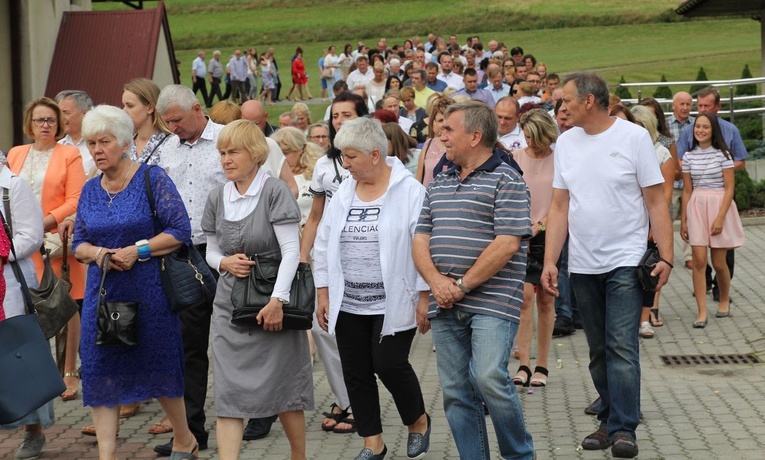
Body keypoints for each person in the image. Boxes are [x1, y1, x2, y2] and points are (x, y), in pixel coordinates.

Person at [541, 72, 673, 459]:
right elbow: (560, 205)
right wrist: (551, 260)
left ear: (589, 101)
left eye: (566, 100)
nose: (560, 107)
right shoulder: (565, 143)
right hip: (582, 263)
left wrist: (665, 255)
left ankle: (623, 428)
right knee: (598, 349)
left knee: (621, 346)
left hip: (626, 260)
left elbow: (656, 201)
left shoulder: (632, 138)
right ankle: (609, 418)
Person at [72, 104, 198, 460]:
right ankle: (107, 455)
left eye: (104, 142)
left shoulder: (152, 178)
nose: (97, 150)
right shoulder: (89, 190)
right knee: (99, 372)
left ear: (125, 142)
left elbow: (180, 231)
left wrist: (138, 250)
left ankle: (184, 437)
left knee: (158, 367)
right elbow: (77, 242)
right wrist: (98, 254)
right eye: (91, 143)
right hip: (104, 295)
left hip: (150, 294)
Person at [412, 100, 534, 459]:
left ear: (475, 135)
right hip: (444, 299)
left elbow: (507, 243)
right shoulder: (440, 180)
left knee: (489, 378)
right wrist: (436, 283)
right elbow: (420, 239)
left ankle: (519, 454)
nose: (441, 135)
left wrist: (461, 285)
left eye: (449, 129)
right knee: (455, 391)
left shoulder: (507, 179)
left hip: (492, 300)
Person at [314, 116, 431, 460]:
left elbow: (423, 245)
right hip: (349, 301)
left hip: (394, 300)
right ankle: (373, 442)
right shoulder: (345, 192)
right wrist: (324, 292)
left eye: (350, 157)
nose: (344, 164)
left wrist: (425, 296)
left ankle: (418, 421)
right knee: (356, 371)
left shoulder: (410, 191)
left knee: (389, 364)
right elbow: (323, 242)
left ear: (376, 154)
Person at [201, 120, 312, 460]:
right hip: (230, 307)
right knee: (228, 394)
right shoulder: (217, 196)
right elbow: (210, 250)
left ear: (255, 153)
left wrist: (278, 300)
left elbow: (292, 252)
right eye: (221, 153)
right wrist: (224, 263)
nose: (225, 159)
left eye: (233, 151)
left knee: (283, 389)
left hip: (271, 300)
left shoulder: (275, 190)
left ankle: (298, 455)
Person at [153, 84, 225, 455]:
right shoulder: (162, 148)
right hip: (181, 255)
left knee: (240, 341)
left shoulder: (226, 139)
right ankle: (192, 430)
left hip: (226, 253)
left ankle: (259, 414)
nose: (174, 128)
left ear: (197, 109)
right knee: (190, 346)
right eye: (167, 123)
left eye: (178, 120)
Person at [7, 97, 86, 403]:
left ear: (59, 125)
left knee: (62, 305)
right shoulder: (15, 153)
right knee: (27, 309)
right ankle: (37, 370)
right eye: (40, 120)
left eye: (51, 120)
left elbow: (76, 198)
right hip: (19, 244)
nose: (45, 126)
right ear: (30, 124)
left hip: (54, 242)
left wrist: (41, 222)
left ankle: (69, 371)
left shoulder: (69, 154)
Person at [299, 93, 370, 435]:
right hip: (329, 259)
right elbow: (314, 217)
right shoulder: (325, 166)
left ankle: (360, 401)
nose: (340, 120)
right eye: (336, 115)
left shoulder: (377, 159)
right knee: (322, 327)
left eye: (348, 114)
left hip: (368, 260)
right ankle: (346, 399)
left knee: (359, 334)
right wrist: (301, 259)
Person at [676, 88, 748, 302]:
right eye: (700, 106)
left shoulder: (730, 130)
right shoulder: (689, 131)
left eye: (707, 106)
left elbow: (740, 161)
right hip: (698, 198)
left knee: (722, 254)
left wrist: (719, 169)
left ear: (718, 107)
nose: (702, 110)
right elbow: (680, 158)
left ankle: (721, 290)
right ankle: (704, 283)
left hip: (720, 195)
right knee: (699, 253)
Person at [0, 161, 47, 460]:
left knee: (21, 358)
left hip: (10, 283)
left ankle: (34, 429)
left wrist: (2, 252)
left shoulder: (12, 185)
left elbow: (32, 235)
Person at [510, 109, 557, 388]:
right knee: (524, 298)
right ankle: (523, 363)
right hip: (521, 235)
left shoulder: (560, 159)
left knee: (546, 299)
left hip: (550, 235)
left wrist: (542, 223)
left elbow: (565, 200)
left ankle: (543, 364)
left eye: (533, 137)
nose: (529, 142)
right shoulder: (516, 158)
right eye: (526, 136)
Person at [630, 105, 674, 339]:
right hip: (630, 221)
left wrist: (655, 226)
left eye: (639, 126)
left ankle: (645, 318)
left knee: (648, 270)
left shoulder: (661, 154)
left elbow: (665, 196)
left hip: (651, 221)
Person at [270, 127, 321, 226]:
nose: (281, 158)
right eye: (277, 153)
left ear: (302, 149)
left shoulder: (315, 174)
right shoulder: (271, 178)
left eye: (286, 153)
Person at [122, 78, 171, 168]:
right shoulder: (125, 144)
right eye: (124, 105)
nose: (124, 111)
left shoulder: (171, 143)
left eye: (130, 106)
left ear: (150, 108)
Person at [414, 94, 453, 186]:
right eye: (440, 120)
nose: (445, 124)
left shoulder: (462, 144)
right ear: (434, 123)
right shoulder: (428, 144)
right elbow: (419, 180)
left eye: (448, 119)